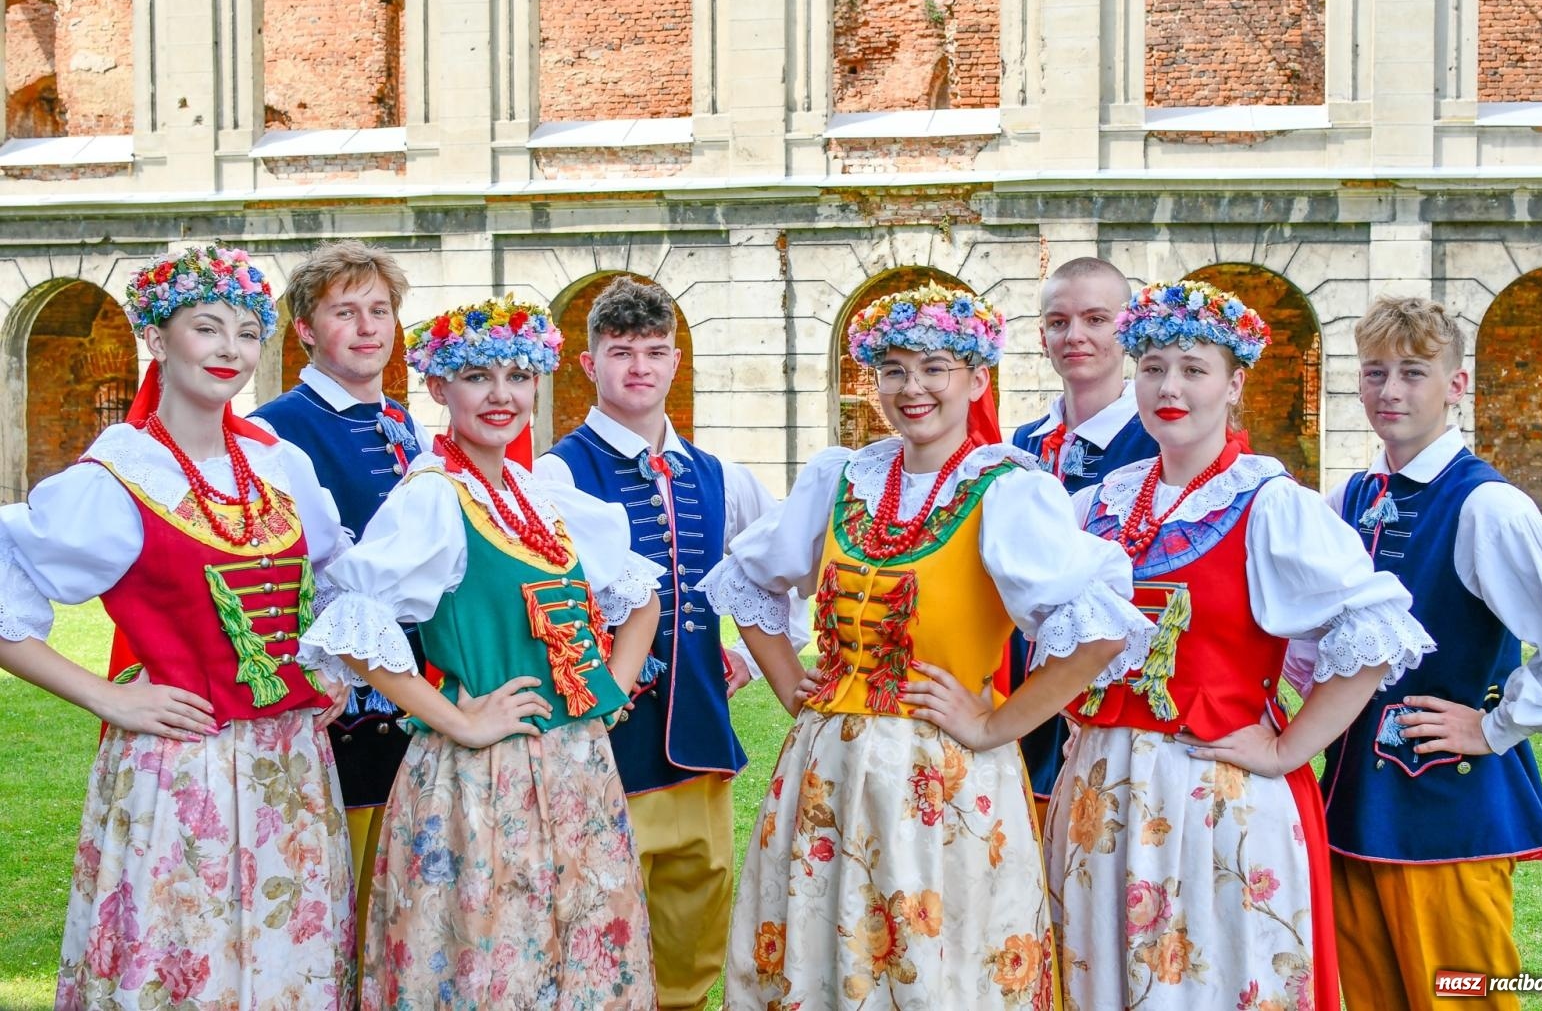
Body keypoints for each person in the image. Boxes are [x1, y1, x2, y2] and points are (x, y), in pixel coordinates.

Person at [699, 282, 1154, 1006]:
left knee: (943, 967)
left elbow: (1099, 632)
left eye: (935, 367)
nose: (913, 388)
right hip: (828, 773)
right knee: (826, 960)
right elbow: (749, 581)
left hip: (944, 777)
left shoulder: (1007, 490)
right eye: (894, 369)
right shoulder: (842, 477)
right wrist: (795, 692)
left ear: (977, 379)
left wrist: (995, 724)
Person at [1046, 280, 1434, 1011]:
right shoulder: (1100, 503)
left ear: (1235, 385)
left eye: (1195, 370)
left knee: (1210, 980)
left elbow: (1375, 633)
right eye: (1154, 366)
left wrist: (1288, 751)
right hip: (1099, 790)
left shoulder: (1269, 503)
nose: (1170, 387)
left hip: (1214, 797)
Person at [0, 243, 355, 1008]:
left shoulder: (277, 464)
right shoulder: (121, 473)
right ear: (158, 340)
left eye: (245, 329)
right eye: (206, 327)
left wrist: (330, 663)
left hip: (289, 766)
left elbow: (333, 576)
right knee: (183, 963)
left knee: (287, 967)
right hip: (181, 768)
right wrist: (107, 696)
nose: (229, 347)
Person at [298, 294, 663, 1009]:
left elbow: (639, 595)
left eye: (518, 376)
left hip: (578, 769)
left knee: (583, 958)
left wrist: (608, 692)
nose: (502, 395)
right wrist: (460, 720)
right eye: (477, 377)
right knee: (492, 963)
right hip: (484, 776)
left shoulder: (537, 494)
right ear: (438, 388)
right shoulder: (433, 497)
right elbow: (354, 622)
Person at [1303, 295, 1542, 1011]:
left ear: (1456, 385)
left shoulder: (1486, 506)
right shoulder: (1350, 496)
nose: (1391, 391)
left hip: (1450, 807)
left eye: (1413, 372)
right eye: (1375, 373)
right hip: (1352, 806)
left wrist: (1493, 726)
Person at [539, 276, 808, 1011]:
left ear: (675, 362)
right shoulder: (559, 473)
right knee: (598, 915)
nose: (639, 368)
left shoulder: (720, 476)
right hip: (609, 736)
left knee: (699, 912)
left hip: (699, 731)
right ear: (588, 364)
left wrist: (750, 657)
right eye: (620, 352)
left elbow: (775, 576)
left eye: (655, 352)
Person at [250, 238, 427, 957]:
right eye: (344, 312)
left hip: (421, 689)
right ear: (304, 331)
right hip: (338, 706)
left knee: (406, 903)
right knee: (338, 902)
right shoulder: (276, 431)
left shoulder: (401, 426)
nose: (366, 328)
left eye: (379, 310)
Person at [1009, 257, 1158, 816]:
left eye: (1097, 319)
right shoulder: (1024, 443)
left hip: (1116, 696)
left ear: (1128, 328)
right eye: (1058, 321)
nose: (1076, 336)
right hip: (1021, 691)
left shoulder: (1157, 438)